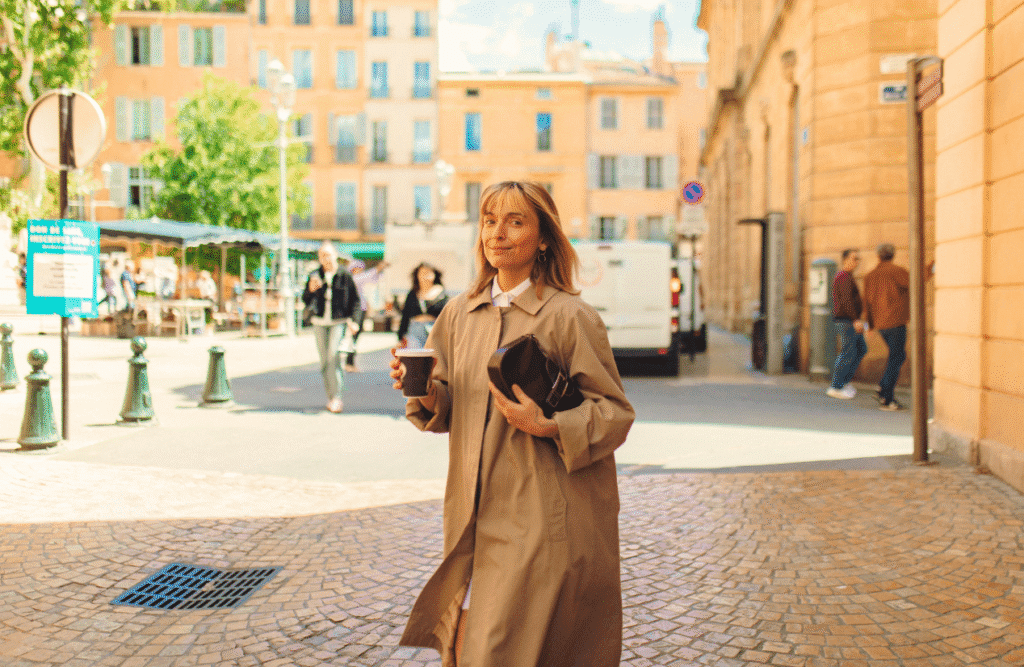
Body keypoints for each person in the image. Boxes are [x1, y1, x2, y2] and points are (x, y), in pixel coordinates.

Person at [389, 181, 635, 666]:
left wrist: (548, 423)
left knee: (500, 650)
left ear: (543, 238)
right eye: (489, 221)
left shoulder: (570, 317)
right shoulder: (459, 314)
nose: (497, 233)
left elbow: (614, 413)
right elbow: (448, 404)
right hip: (472, 516)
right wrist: (421, 388)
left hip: (541, 519)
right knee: (470, 644)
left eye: (515, 221)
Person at [301, 242, 362, 413]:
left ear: (335, 255)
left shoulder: (344, 275)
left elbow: (355, 301)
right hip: (319, 321)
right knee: (324, 361)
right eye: (322, 255)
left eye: (328, 254)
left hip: (338, 321)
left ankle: (336, 397)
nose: (326, 258)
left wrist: (355, 321)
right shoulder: (315, 275)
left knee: (333, 356)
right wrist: (310, 290)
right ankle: (331, 397)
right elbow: (305, 299)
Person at [863, 243, 910, 411]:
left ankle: (883, 388)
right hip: (895, 321)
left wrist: (869, 326)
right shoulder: (897, 271)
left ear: (878, 256)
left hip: (880, 324)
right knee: (897, 356)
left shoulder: (870, 276)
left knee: (896, 356)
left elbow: (867, 302)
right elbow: (916, 281)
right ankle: (886, 396)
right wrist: (932, 267)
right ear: (893, 254)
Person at [827, 248, 868, 399]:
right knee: (848, 352)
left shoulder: (847, 276)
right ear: (845, 260)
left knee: (860, 349)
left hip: (849, 320)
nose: (857, 262)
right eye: (854, 258)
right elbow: (846, 300)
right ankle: (836, 386)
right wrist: (855, 320)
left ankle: (843, 382)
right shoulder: (843, 277)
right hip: (846, 321)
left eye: (858, 259)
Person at [344, 259, 389, 372]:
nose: (362, 270)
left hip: (361, 309)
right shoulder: (354, 279)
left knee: (355, 337)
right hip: (356, 311)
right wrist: (380, 267)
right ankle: (349, 362)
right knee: (353, 336)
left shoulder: (355, 279)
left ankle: (350, 362)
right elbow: (370, 275)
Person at [397, 262, 448, 348]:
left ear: (434, 274)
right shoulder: (413, 294)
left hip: (434, 330)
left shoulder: (441, 293)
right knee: (415, 354)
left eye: (428, 273)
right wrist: (400, 337)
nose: (425, 277)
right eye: (422, 273)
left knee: (433, 354)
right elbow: (405, 316)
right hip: (415, 330)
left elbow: (446, 316)